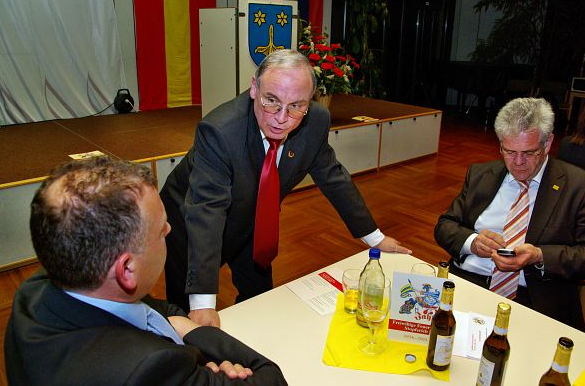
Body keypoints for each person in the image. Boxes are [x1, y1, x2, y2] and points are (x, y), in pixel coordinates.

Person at [161, 49, 408, 327]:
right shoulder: (220, 131)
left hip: (255, 219)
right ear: (254, 88)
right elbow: (207, 209)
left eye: (296, 106)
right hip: (190, 223)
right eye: (272, 101)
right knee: (186, 315)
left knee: (260, 298)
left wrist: (375, 239)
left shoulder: (315, 121)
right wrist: (203, 304)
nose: (281, 118)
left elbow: (334, 178)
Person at [4, 157, 288, 385]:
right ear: (127, 269)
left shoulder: (38, 289)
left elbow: (156, 308)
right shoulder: (147, 367)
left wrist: (183, 325)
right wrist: (196, 336)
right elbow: (270, 377)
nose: (170, 229)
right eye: (160, 229)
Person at [434, 97, 585, 331]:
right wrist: (472, 242)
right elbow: (444, 226)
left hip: (533, 297)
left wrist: (539, 256)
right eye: (509, 151)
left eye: (529, 153)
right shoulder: (481, 174)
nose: (518, 162)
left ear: (547, 143)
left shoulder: (580, 186)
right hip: (468, 283)